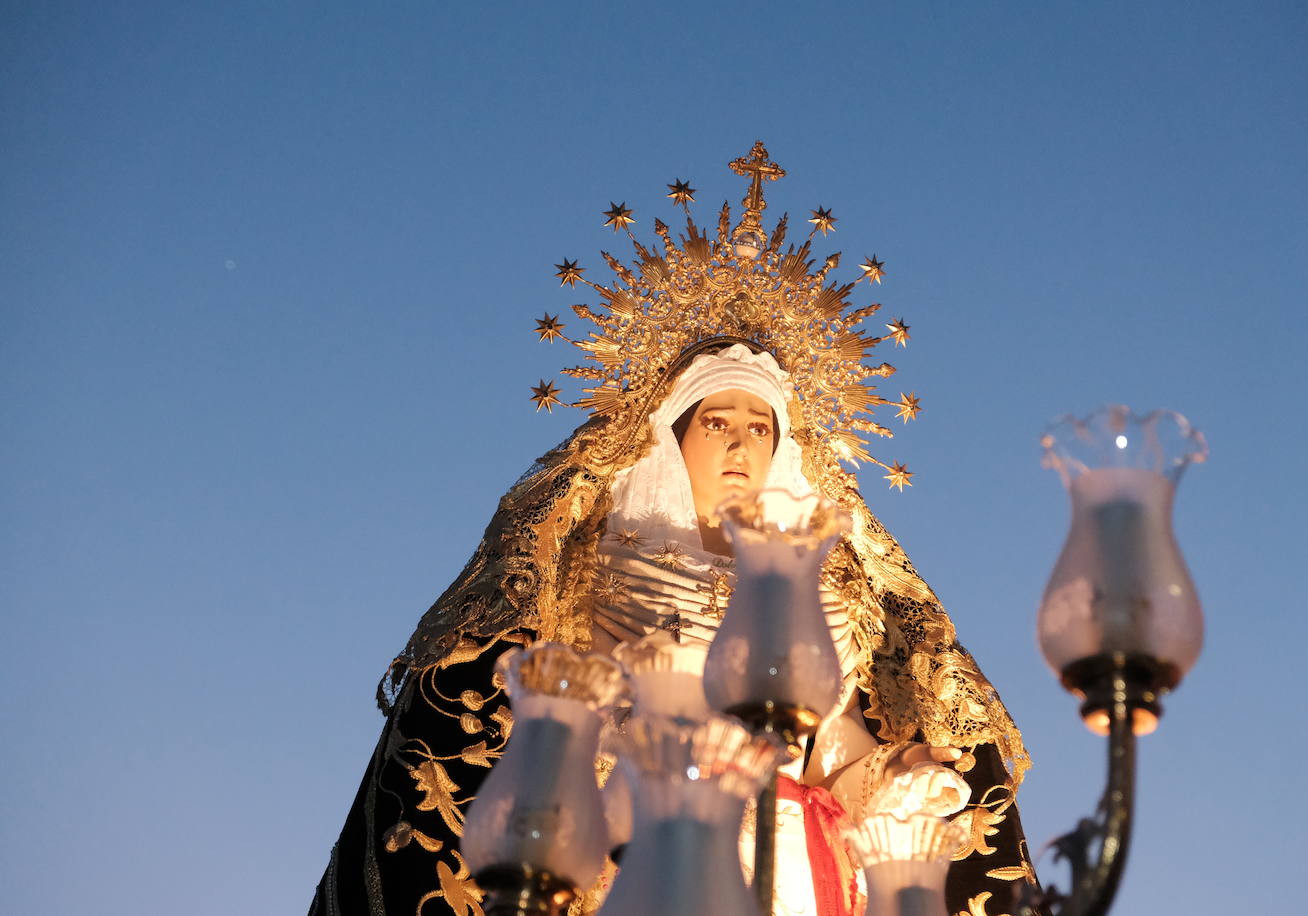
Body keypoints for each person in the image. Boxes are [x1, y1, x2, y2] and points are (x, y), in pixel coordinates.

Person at [311, 144, 1037, 916]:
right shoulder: (607, 561)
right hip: (651, 832)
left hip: (797, 861)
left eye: (760, 427)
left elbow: (832, 746)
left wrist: (890, 779)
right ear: (673, 435)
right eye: (717, 422)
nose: (740, 444)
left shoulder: (822, 585)